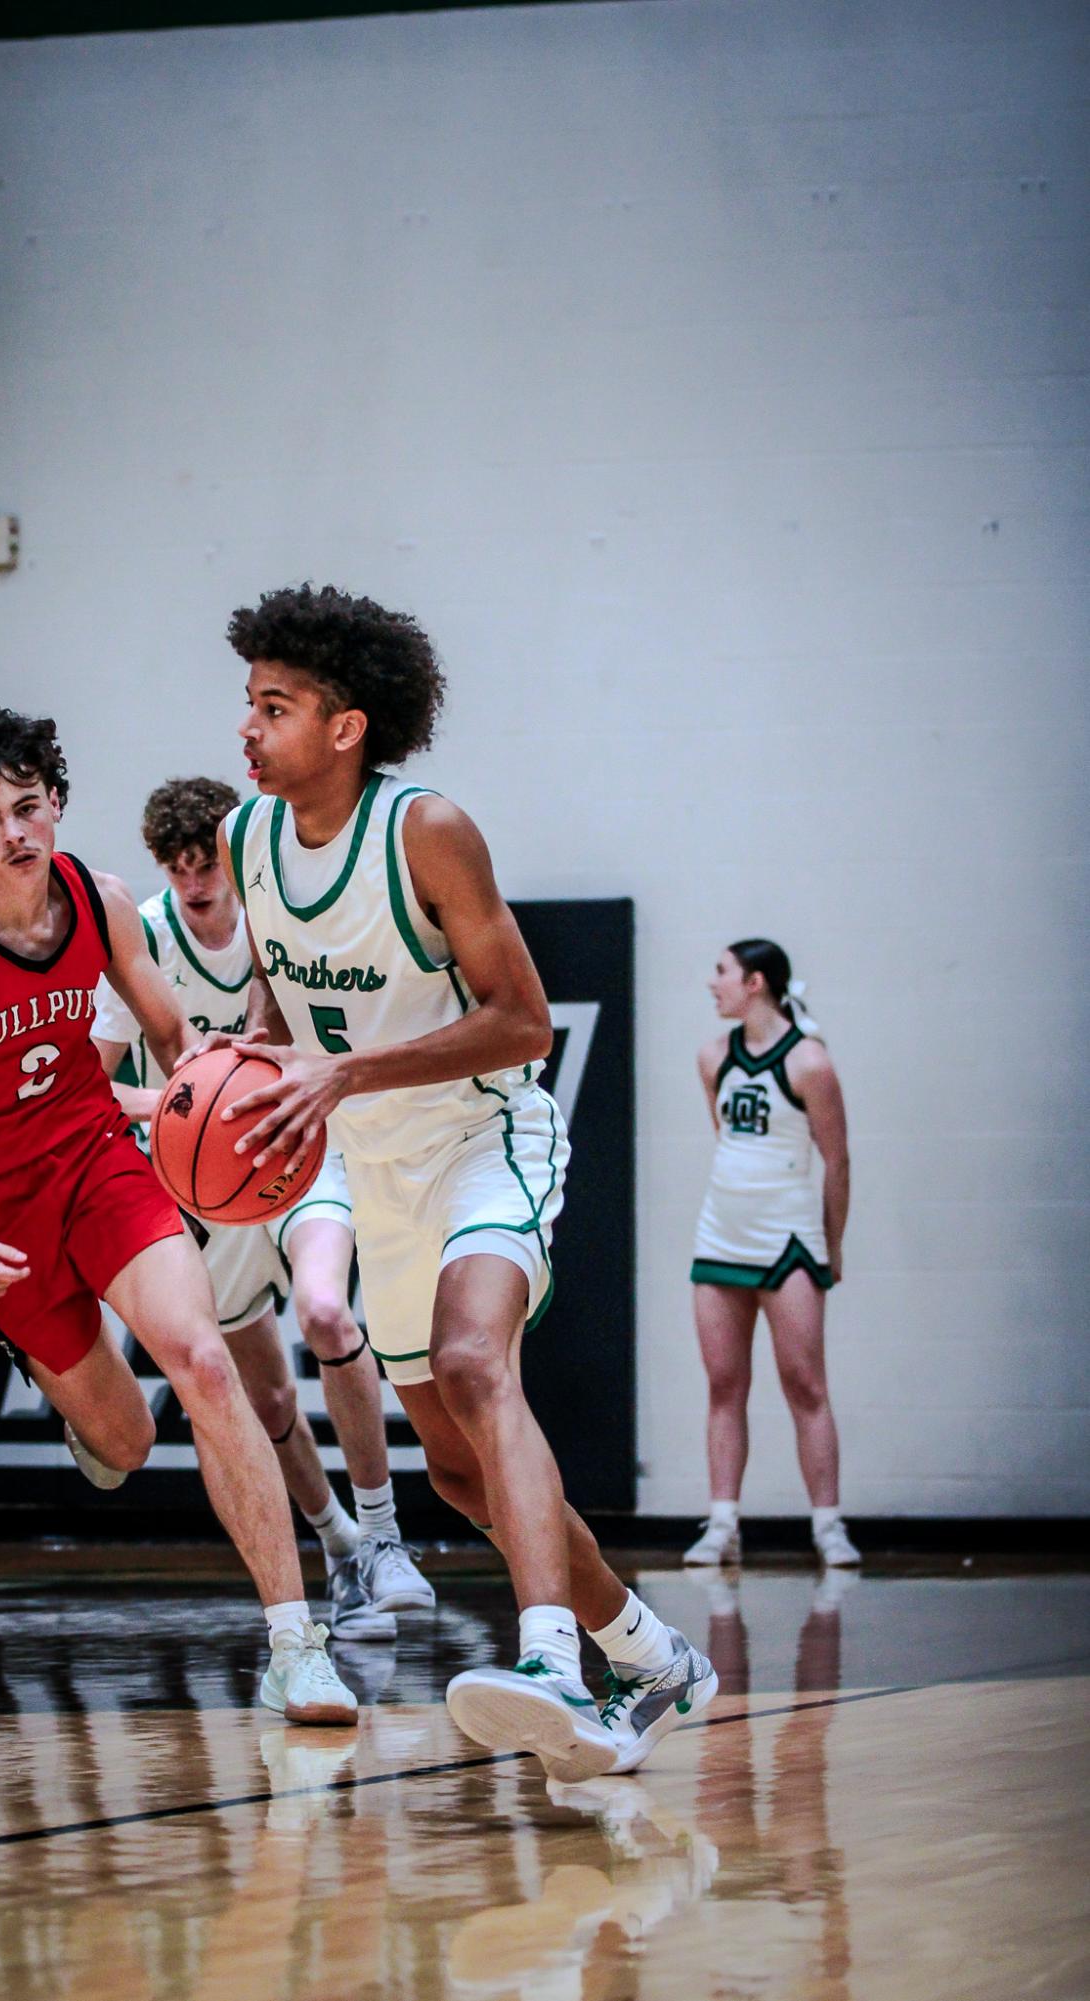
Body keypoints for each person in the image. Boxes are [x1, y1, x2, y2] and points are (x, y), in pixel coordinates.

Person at [202, 583, 716, 1782]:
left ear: (345, 726)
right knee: (447, 1466)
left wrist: (346, 1072)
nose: (247, 727)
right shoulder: (243, 840)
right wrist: (248, 1085)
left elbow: (524, 1023)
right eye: (246, 702)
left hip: (484, 1139)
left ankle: (549, 1664)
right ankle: (644, 1652)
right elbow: (283, 1006)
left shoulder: (427, 830)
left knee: (482, 1365)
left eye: (273, 706)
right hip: (373, 1168)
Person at [0, 702, 359, 1725]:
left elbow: (168, 1033)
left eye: (28, 807)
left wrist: (210, 1105)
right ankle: (75, 1405)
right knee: (123, 1441)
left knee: (202, 1361)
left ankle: (296, 1645)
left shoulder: (97, 900)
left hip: (95, 1155)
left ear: (57, 802)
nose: (14, 834)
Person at [89, 773, 435, 1639]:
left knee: (325, 1308)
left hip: (293, 1152)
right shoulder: (146, 941)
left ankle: (388, 1536)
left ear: (231, 861)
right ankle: (340, 1547)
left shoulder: (277, 921)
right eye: (179, 866)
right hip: (201, 1186)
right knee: (269, 1399)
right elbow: (92, 1086)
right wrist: (181, 1098)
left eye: (208, 862)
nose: (197, 880)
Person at [686, 939, 859, 1568]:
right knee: (723, 1385)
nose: (713, 983)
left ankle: (828, 1526)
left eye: (722, 972)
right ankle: (723, 1523)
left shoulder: (811, 1062)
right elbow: (729, 1141)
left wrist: (830, 1248)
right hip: (721, 1235)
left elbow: (836, 1162)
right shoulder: (712, 1057)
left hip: (789, 1242)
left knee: (805, 1383)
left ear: (756, 982)